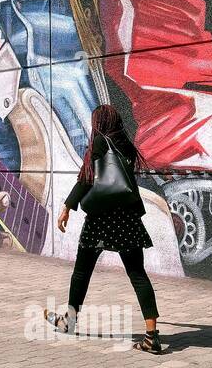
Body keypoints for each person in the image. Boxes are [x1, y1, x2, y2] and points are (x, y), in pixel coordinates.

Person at [47, 105, 163, 354]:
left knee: (82, 272)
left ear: (99, 122)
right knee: (138, 274)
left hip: (100, 219)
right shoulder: (127, 145)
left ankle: (69, 321)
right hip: (128, 219)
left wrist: (68, 206)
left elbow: (86, 178)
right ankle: (152, 336)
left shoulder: (100, 142)